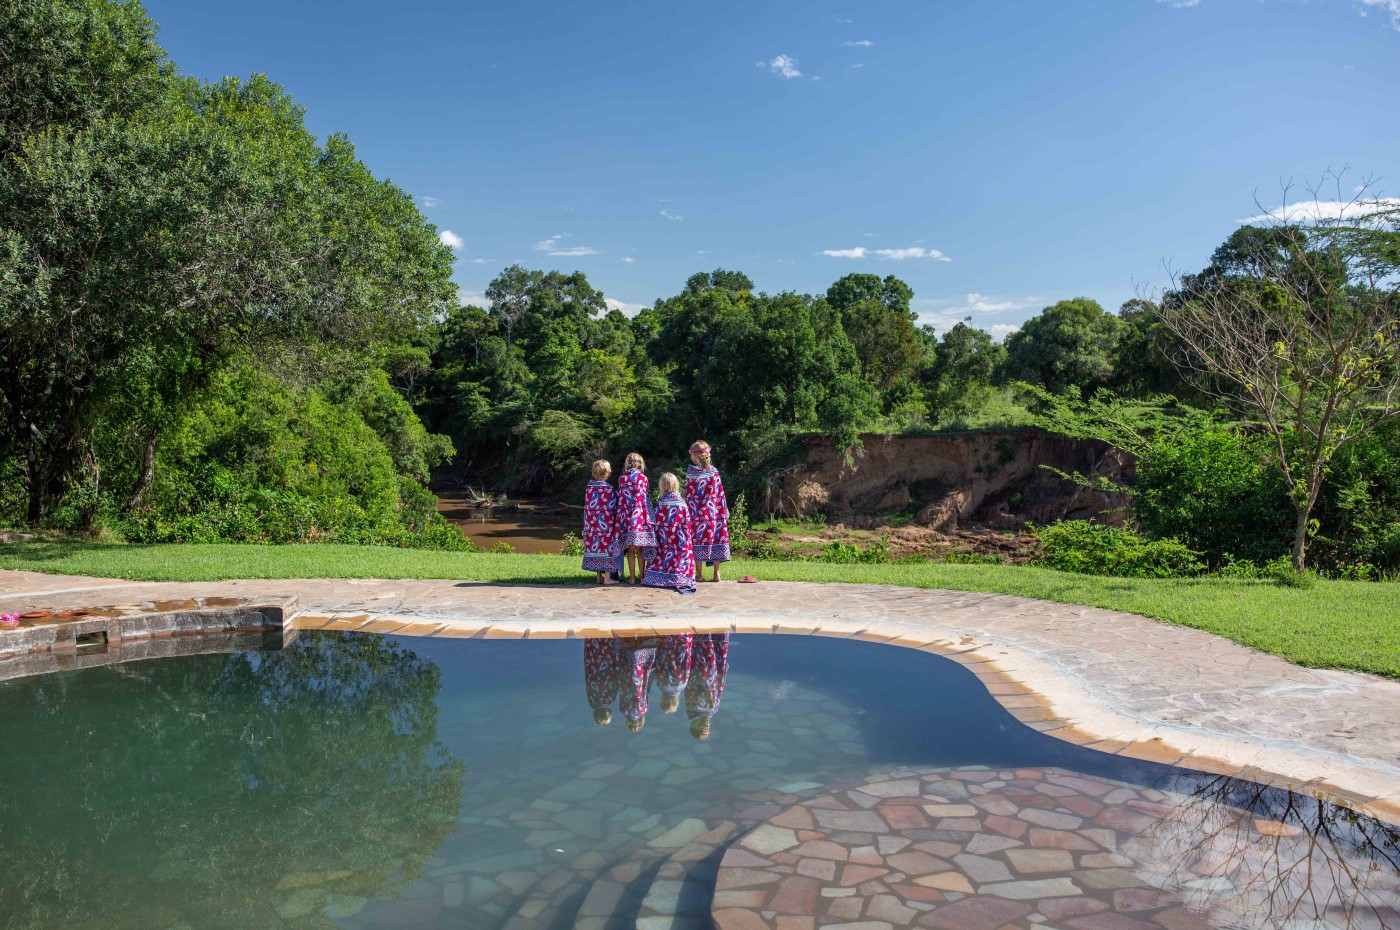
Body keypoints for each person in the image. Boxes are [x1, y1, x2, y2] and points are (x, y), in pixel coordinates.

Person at [640, 473, 697, 594]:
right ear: (675, 485)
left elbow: (656, 523)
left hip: (664, 542)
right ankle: (679, 576)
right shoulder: (682, 503)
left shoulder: (661, 503)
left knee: (660, 554)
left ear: (662, 486)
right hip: (679, 542)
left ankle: (660, 576)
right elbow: (687, 525)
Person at [685, 440, 730, 583]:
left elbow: (689, 495)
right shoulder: (714, 472)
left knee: (697, 542)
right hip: (714, 514)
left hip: (697, 515)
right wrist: (723, 512)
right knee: (715, 540)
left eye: (691, 454)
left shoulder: (691, 472)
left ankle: (699, 574)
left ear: (696, 456)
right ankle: (717, 574)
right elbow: (720, 494)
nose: (690, 456)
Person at [616, 452, 656, 585]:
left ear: (627, 463)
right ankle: (643, 577)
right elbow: (646, 499)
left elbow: (622, 499)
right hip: (640, 518)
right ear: (640, 464)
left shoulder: (622, 479)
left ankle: (632, 578)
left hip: (626, 518)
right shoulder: (644, 479)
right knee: (640, 549)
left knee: (630, 549)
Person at [581, 459, 620, 585]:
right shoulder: (610, 490)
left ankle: (598, 577)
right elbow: (616, 506)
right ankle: (608, 578)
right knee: (606, 548)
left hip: (591, 525)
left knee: (595, 547)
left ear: (593, 473)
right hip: (606, 526)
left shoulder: (589, 489)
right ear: (608, 473)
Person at [686, 632, 730, 740]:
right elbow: (719, 690)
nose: (706, 726)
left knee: (705, 646)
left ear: (695, 726)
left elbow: (695, 689)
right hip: (714, 672)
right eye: (708, 728)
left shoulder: (695, 709)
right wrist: (722, 672)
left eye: (703, 728)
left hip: (702, 670)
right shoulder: (712, 711)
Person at [617, 637, 657, 732]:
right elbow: (622, 693)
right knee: (628, 665)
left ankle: (639, 649)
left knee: (640, 672)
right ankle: (629, 644)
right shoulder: (623, 709)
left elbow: (645, 692)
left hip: (640, 683)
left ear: (641, 721)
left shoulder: (644, 709)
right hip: (627, 680)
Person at [583, 637, 622, 726]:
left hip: (607, 666)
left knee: (607, 648)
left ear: (608, 712)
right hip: (593, 666)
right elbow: (589, 683)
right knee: (594, 650)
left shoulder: (611, 698)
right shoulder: (592, 701)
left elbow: (615, 681)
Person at [655, 633, 694, 714]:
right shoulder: (661, 685)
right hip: (665, 649)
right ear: (662, 700)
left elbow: (687, 664)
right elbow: (658, 666)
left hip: (681, 648)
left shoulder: (683, 685)